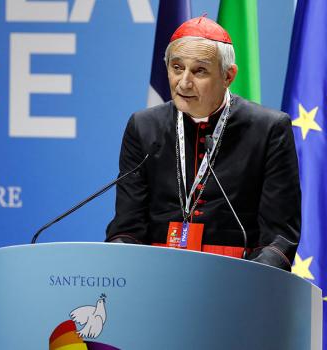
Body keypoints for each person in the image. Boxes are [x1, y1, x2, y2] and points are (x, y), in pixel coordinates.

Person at [105, 17, 301, 271]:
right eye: (177, 67)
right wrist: (120, 262)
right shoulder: (143, 127)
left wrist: (252, 278)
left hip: (236, 277)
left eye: (199, 71)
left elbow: (280, 236)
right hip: (154, 277)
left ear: (228, 75)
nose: (184, 82)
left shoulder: (268, 129)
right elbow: (127, 226)